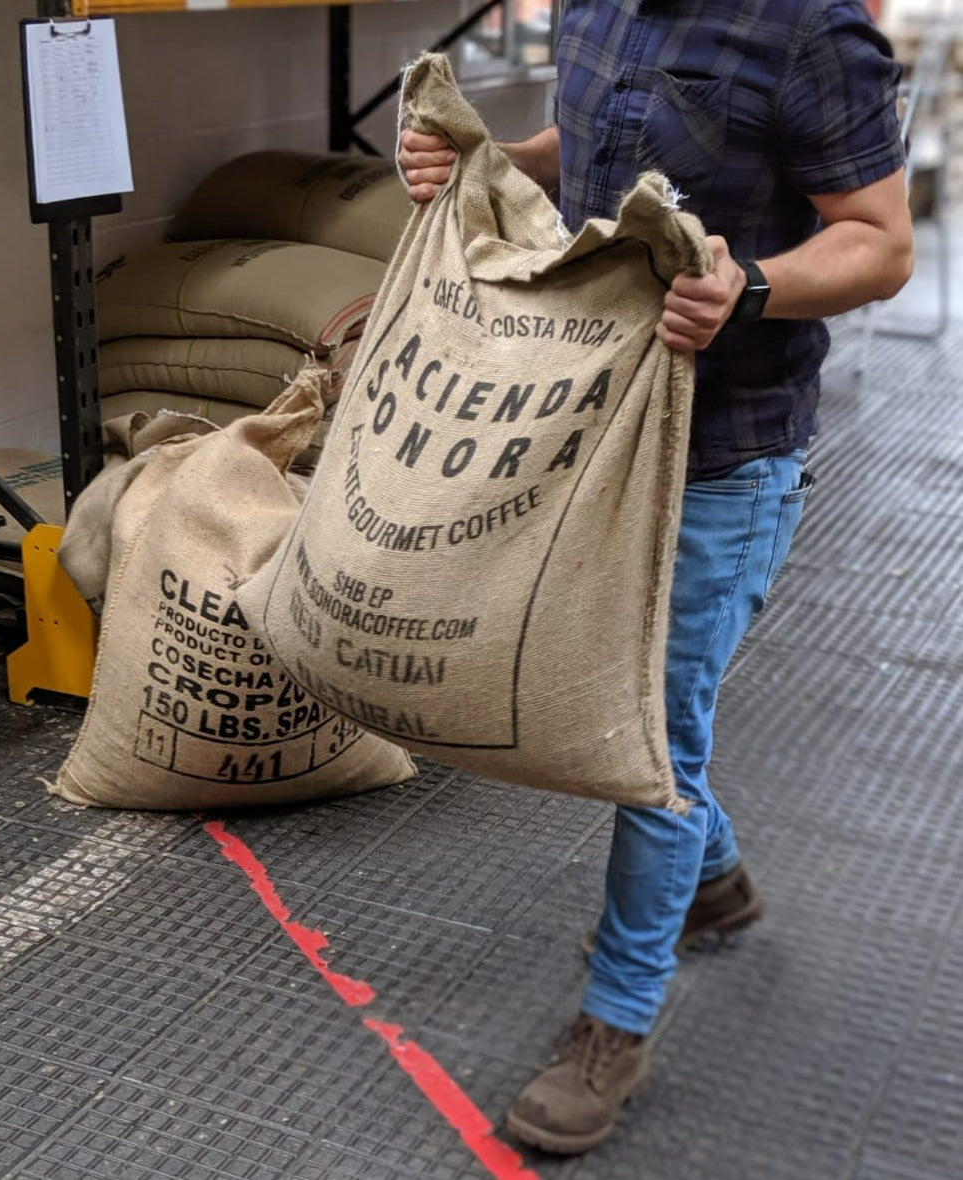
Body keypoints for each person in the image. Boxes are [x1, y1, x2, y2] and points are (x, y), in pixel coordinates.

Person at [399, 0, 913, 1156]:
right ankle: (715, 879)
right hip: (589, 420)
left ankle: (614, 1024)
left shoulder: (813, 32)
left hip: (728, 454)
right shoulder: (596, 7)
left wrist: (754, 287)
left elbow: (881, 240)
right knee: (628, 712)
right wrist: (482, 159)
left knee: (650, 742)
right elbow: (583, 152)